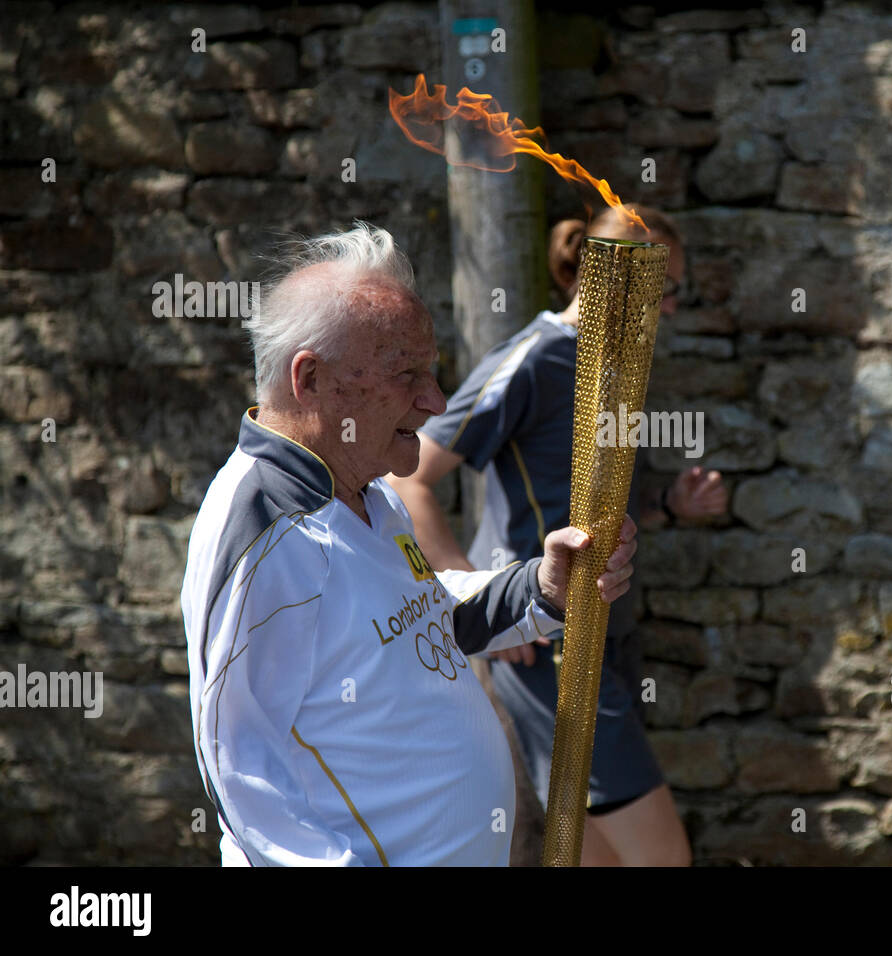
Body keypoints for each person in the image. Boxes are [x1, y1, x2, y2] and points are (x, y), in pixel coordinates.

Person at [180, 222, 637, 866]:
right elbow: (243, 769)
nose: (435, 400)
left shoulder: (368, 488)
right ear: (309, 379)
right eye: (407, 374)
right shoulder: (263, 526)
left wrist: (540, 588)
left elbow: (425, 617)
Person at [387, 206, 727, 866]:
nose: (674, 310)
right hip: (548, 647)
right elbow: (413, 478)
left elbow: (588, 513)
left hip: (609, 632)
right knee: (662, 857)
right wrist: (485, 599)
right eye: (669, 289)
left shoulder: (615, 368)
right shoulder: (537, 357)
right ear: (620, 278)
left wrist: (667, 502)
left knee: (588, 857)